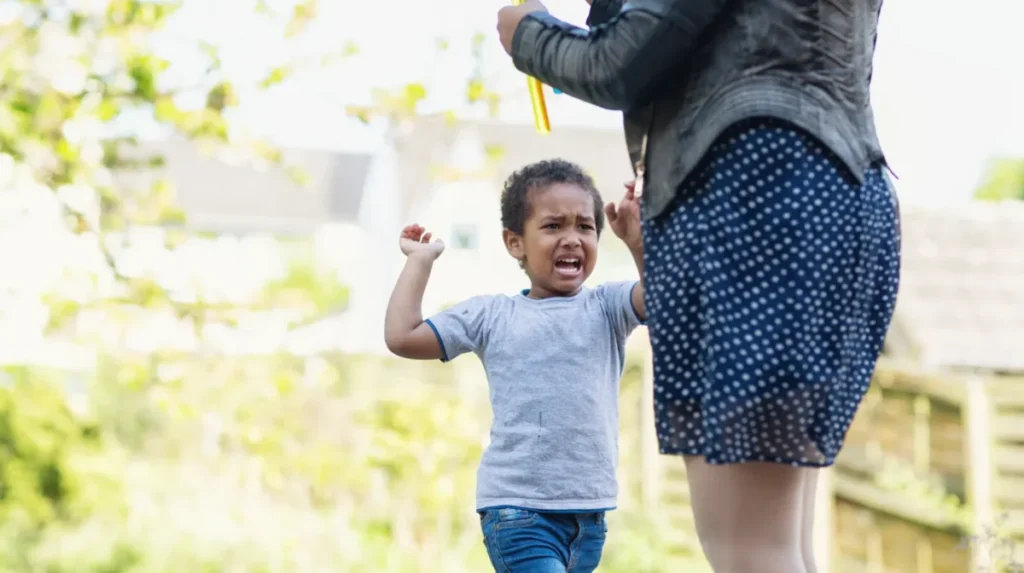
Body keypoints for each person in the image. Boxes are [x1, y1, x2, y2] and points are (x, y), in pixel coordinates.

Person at [495, 2, 901, 573]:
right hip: (838, 187)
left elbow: (621, 61)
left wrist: (526, 35)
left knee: (749, 551)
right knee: (782, 542)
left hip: (752, 192)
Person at [384, 159, 647, 573]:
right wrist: (420, 261)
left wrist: (638, 242)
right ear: (514, 242)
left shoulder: (607, 306)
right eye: (553, 226)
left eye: (584, 226)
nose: (572, 238)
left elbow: (663, 298)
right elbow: (402, 337)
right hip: (519, 512)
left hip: (590, 516)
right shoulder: (493, 316)